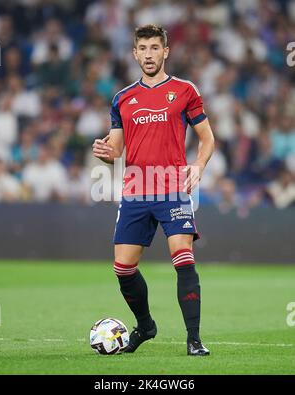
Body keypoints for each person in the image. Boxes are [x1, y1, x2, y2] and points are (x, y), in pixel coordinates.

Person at [93, 25, 215, 356]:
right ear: (135, 53)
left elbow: (207, 138)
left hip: (173, 187)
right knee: (123, 267)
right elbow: (116, 151)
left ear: (165, 52)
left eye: (154, 48)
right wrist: (107, 156)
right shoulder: (122, 99)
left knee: (182, 258)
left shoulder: (185, 90)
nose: (148, 54)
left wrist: (199, 166)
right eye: (143, 48)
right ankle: (145, 325)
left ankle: (193, 339)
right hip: (136, 191)